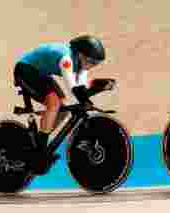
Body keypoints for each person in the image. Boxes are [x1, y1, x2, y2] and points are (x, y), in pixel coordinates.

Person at [13, 35, 106, 174]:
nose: (92, 66)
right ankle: (40, 149)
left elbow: (80, 86)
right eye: (92, 61)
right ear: (81, 54)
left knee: (63, 108)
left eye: (96, 63)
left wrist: (98, 88)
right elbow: (73, 88)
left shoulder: (82, 64)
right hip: (25, 69)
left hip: (41, 73)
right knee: (54, 103)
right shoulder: (66, 59)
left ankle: (38, 141)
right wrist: (86, 97)